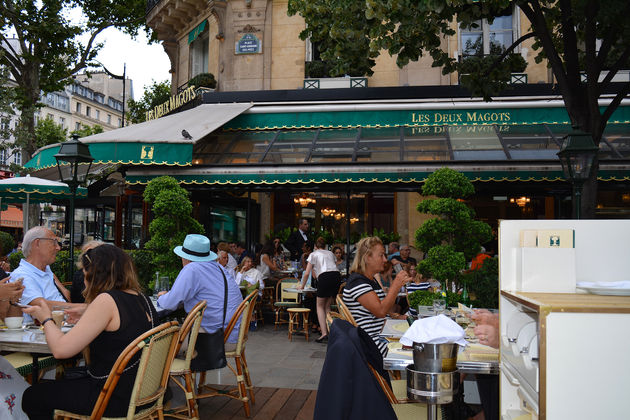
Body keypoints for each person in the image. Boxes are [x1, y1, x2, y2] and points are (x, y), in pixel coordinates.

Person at [21, 244, 159, 419]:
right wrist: (88, 314)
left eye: (85, 275)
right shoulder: (140, 297)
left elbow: (61, 350)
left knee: (33, 396)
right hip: (142, 392)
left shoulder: (106, 300)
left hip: (113, 397)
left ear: (95, 275)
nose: (84, 281)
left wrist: (46, 318)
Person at [157, 234, 243, 343]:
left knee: (161, 345)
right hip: (233, 331)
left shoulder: (192, 269)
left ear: (185, 258)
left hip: (215, 337)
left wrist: (161, 297)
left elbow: (170, 303)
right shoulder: (219, 267)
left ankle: (187, 359)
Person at [343, 237, 411, 357]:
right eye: (381, 255)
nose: (385, 260)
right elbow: (380, 311)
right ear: (367, 257)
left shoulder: (369, 280)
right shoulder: (357, 282)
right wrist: (396, 285)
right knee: (420, 350)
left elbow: (380, 311)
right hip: (371, 344)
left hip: (380, 337)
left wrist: (396, 316)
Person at [13, 227, 83, 322]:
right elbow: (40, 306)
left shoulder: (45, 270)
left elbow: (66, 296)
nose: (58, 248)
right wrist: (84, 308)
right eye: (53, 242)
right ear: (37, 243)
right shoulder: (22, 275)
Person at [298, 237, 341, 343]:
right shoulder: (330, 253)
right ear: (325, 246)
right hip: (336, 276)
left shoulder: (313, 254)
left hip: (325, 277)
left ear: (315, 247)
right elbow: (334, 266)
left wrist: (302, 286)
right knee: (327, 306)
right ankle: (331, 331)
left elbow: (307, 273)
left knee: (319, 306)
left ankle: (324, 333)